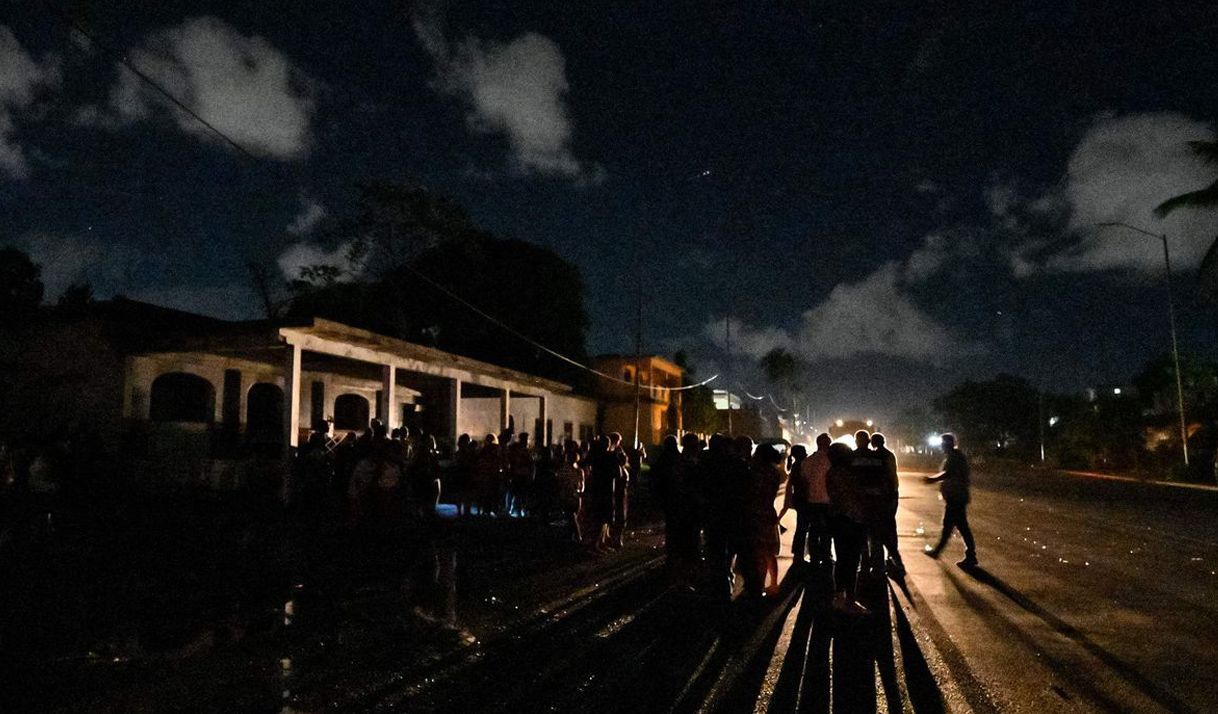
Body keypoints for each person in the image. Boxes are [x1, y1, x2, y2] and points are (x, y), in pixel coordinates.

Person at [827, 442, 869, 615]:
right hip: (852, 520)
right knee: (851, 561)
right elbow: (856, 493)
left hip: (839, 519)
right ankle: (849, 600)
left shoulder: (832, 472)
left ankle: (839, 597)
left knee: (843, 559)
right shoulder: (846, 473)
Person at [924, 433, 977, 567]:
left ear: (947, 444)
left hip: (956, 497)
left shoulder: (955, 457)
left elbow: (948, 473)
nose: (941, 446)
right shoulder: (954, 456)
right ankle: (969, 555)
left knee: (952, 526)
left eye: (943, 444)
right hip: (956, 496)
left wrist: (932, 479)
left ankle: (940, 551)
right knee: (959, 526)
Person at [782, 434, 833, 569]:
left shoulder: (807, 462)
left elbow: (804, 482)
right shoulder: (830, 461)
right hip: (826, 501)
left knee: (813, 531)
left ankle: (813, 557)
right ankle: (826, 556)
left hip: (810, 502)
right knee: (826, 532)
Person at [744, 443, 787, 599]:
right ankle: (774, 583)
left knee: (759, 551)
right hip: (768, 511)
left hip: (756, 513)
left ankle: (760, 584)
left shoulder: (757, 472)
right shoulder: (775, 473)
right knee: (769, 552)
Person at [870, 432, 904, 577]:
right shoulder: (890, 455)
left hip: (879, 498)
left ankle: (880, 563)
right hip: (889, 496)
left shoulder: (874, 457)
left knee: (877, 532)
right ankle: (892, 558)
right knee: (890, 528)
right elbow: (893, 476)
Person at [585, 436, 617, 552]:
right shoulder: (610, 456)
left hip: (596, 488)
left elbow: (585, 464)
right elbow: (617, 473)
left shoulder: (595, 456)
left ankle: (600, 543)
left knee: (599, 517)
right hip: (607, 489)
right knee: (603, 518)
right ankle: (595, 544)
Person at [555, 439, 585, 543]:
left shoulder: (573, 470)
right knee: (572, 516)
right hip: (572, 496)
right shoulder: (573, 470)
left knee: (572, 516)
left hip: (572, 496)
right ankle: (575, 536)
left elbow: (581, 484)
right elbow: (581, 484)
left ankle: (574, 537)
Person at [608, 432, 631, 548]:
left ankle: (616, 537)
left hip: (620, 490)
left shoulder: (617, 451)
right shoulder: (612, 454)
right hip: (617, 490)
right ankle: (614, 538)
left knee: (620, 514)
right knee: (618, 514)